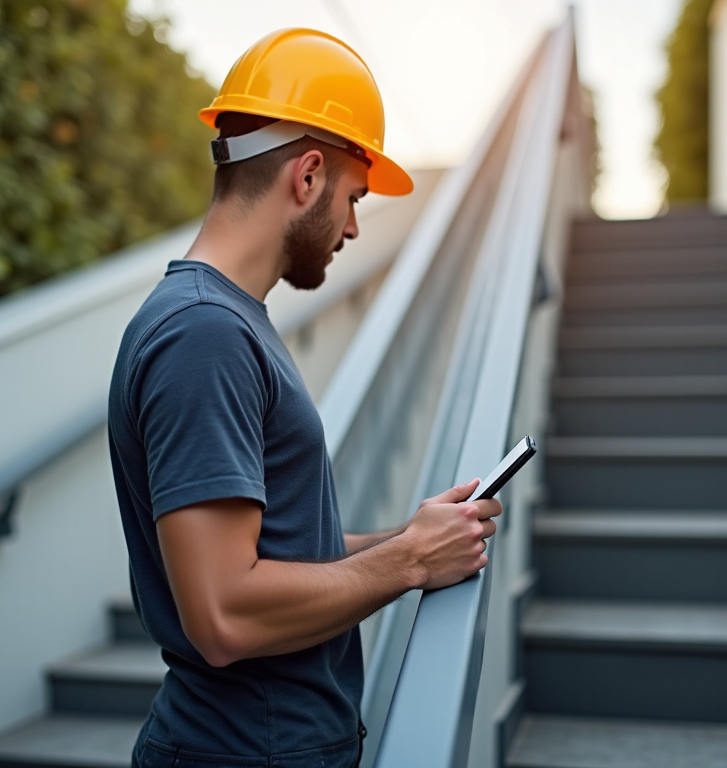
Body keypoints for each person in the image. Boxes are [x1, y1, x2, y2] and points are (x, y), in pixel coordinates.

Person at [107, 28, 501, 768]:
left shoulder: (223, 323)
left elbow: (274, 557)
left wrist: (410, 537)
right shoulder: (204, 335)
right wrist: (411, 565)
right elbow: (223, 611)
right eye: (354, 198)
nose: (354, 226)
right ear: (309, 175)